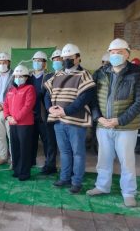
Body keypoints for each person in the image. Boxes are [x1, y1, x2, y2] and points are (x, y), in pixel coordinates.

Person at [87, 38, 140, 207]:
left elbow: (139, 102)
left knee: (127, 161)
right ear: (109, 53)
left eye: (120, 52)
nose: (116, 55)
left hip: (126, 127)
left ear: (127, 53)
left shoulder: (137, 73)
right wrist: (99, 118)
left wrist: (119, 120)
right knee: (104, 158)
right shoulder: (101, 72)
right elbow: (92, 99)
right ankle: (102, 186)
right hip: (103, 125)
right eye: (113, 52)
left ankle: (128, 192)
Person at [44, 43, 95, 194]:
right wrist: (49, 108)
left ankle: (77, 182)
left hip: (76, 121)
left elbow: (84, 98)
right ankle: (65, 177)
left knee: (78, 153)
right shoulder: (57, 75)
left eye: (70, 58)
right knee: (64, 151)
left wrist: (65, 111)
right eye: (64, 58)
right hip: (58, 121)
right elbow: (48, 95)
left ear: (78, 58)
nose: (66, 61)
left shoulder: (84, 75)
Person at [3, 65, 36, 181]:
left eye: (21, 76)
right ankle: (17, 170)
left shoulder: (30, 89)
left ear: (26, 77)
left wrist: (15, 118)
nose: (18, 78)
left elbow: (28, 106)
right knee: (15, 148)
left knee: (24, 149)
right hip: (13, 124)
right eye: (16, 76)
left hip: (25, 125)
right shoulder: (11, 90)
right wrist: (7, 116)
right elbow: (5, 105)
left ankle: (25, 173)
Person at [39, 49, 62, 175]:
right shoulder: (47, 76)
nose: (57, 62)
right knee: (50, 141)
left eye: (59, 59)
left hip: (65, 114)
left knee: (66, 143)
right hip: (49, 114)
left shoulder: (70, 75)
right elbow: (43, 95)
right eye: (54, 60)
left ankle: (68, 168)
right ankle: (50, 164)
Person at [30, 51, 49, 168]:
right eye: (35, 60)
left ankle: (49, 163)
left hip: (43, 114)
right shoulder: (27, 77)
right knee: (31, 140)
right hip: (30, 114)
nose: (37, 63)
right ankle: (31, 161)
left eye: (40, 61)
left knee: (47, 140)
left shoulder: (49, 77)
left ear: (45, 63)